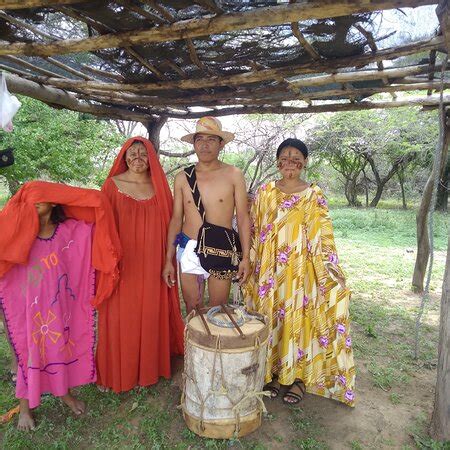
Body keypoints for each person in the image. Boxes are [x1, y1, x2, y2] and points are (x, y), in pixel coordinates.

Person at [0, 181, 121, 430]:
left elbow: (97, 223)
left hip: (58, 307)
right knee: (27, 352)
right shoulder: (20, 235)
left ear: (54, 202)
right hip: (27, 310)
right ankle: (25, 407)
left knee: (60, 348)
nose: (34, 206)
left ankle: (63, 393)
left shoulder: (69, 231)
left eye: (40, 201)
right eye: (30, 202)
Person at [243, 138, 355, 406]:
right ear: (278, 162)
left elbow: (324, 235)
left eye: (296, 158)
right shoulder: (265, 192)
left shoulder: (314, 194)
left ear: (304, 162)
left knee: (300, 321)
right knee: (270, 317)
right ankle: (270, 373)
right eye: (285, 157)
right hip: (270, 271)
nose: (290, 162)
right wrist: (251, 263)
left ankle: (298, 379)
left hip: (302, 272)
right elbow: (255, 229)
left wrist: (331, 271)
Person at [96, 137, 184, 393]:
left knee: (149, 311)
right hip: (122, 263)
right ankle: (115, 370)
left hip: (154, 261)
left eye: (143, 154)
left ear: (151, 158)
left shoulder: (160, 187)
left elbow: (171, 225)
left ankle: (149, 368)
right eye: (132, 153)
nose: (137, 157)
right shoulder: (111, 186)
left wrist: (168, 260)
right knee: (120, 315)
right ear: (124, 157)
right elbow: (101, 227)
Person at [162, 117, 251, 313]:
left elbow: (243, 218)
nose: (204, 145)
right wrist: (168, 259)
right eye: (199, 139)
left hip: (222, 248)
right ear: (194, 144)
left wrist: (245, 257)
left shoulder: (233, 174)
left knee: (217, 310)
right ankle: (194, 344)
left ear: (221, 144)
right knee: (194, 310)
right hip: (189, 246)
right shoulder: (183, 178)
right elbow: (177, 219)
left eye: (211, 140)